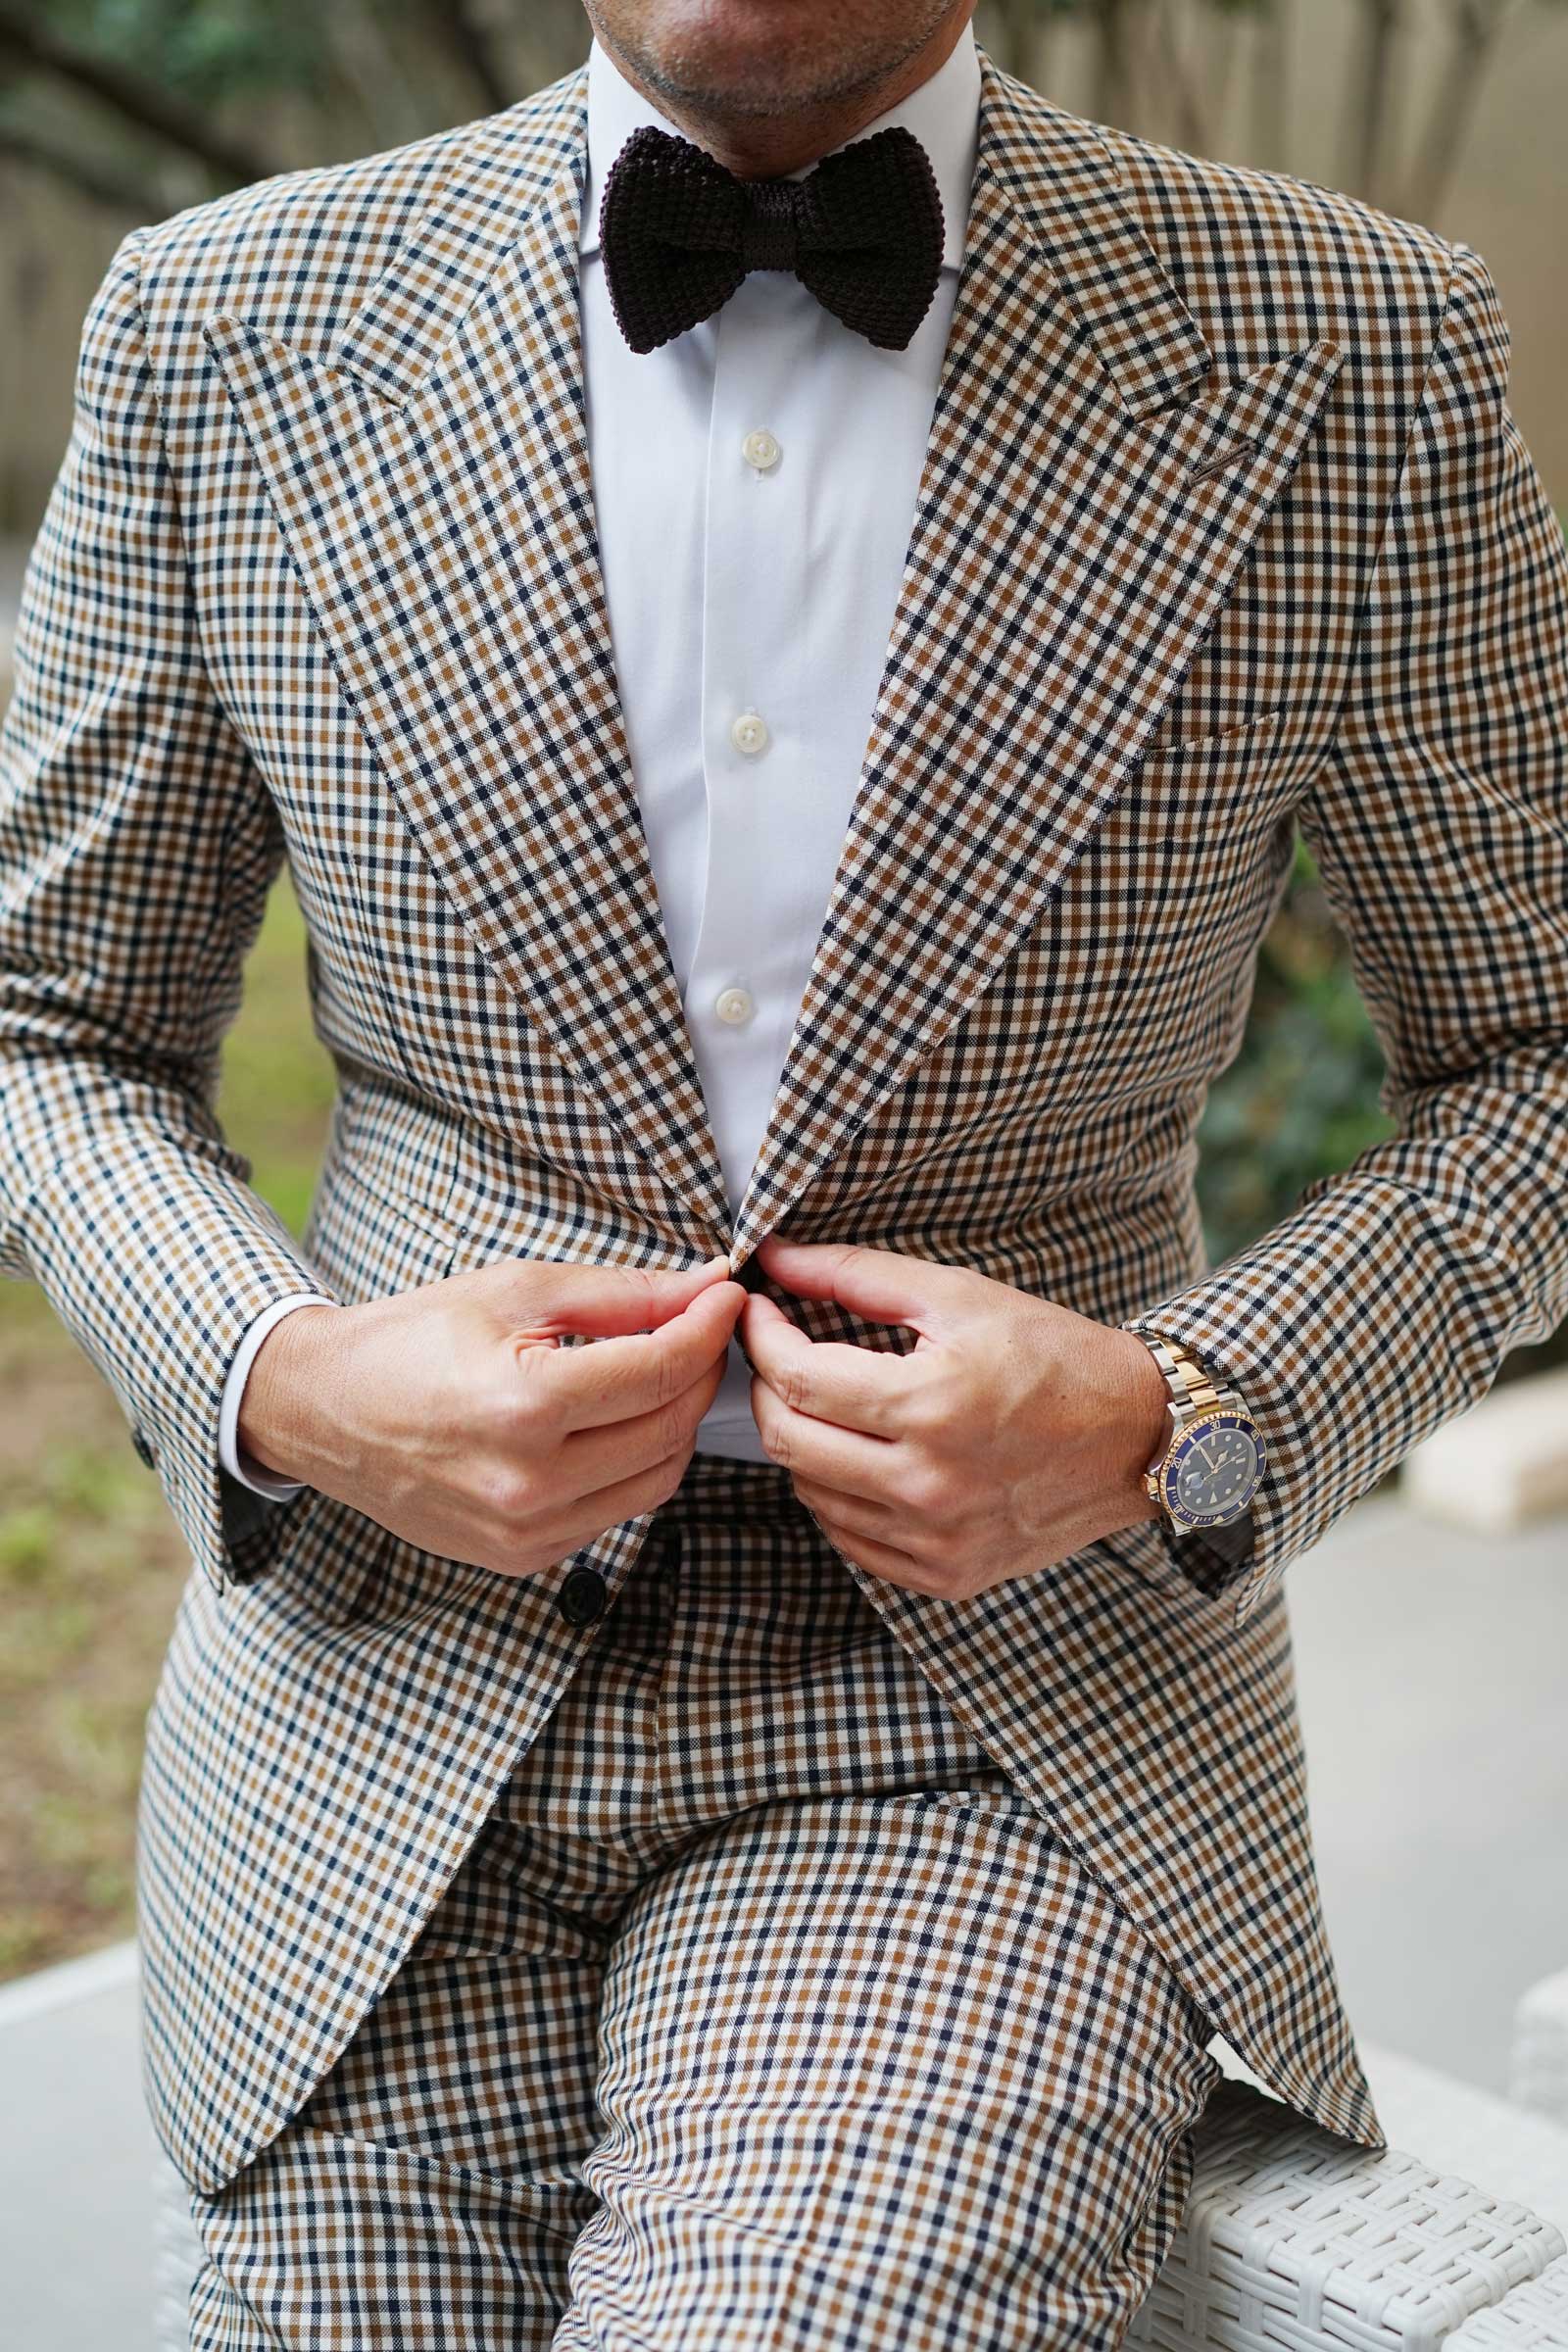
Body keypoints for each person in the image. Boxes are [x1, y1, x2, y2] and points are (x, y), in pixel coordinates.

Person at [2, 0, 1564, 2340]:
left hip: (986, 1723)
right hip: (367, 1718)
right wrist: (287, 1378)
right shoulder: (228, 319)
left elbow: (1537, 1053)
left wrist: (1176, 1409)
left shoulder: (1350, 341)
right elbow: (49, 1027)